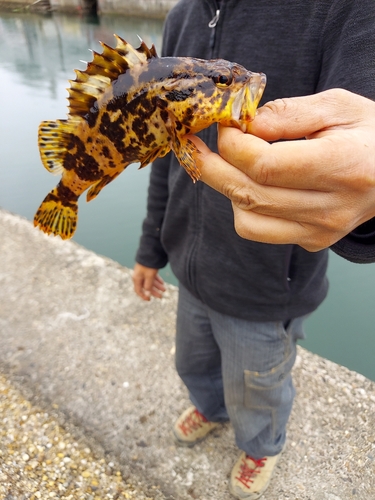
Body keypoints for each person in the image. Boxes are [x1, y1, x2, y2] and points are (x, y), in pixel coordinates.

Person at [133, 1, 375, 499]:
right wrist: (150, 250)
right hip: (189, 269)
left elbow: (362, 140)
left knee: (258, 385)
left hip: (266, 285)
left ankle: (262, 445)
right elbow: (164, 158)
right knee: (192, 362)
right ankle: (211, 407)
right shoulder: (181, 16)